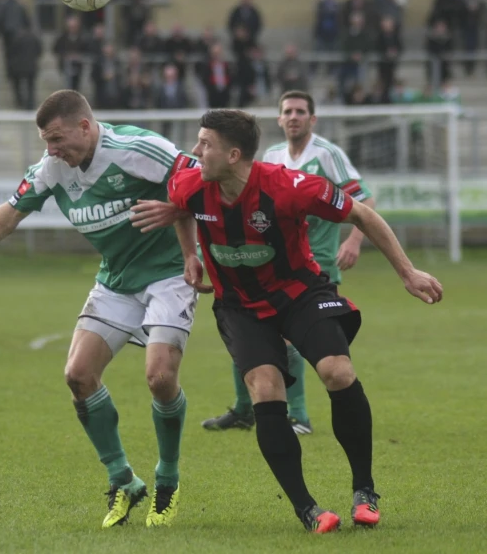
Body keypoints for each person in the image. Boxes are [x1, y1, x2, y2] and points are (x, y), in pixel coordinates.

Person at [130, 108, 442, 532]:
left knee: (337, 371)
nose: (196, 152)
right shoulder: (191, 183)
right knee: (265, 387)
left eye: (206, 145)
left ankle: (364, 490)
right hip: (239, 304)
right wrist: (190, 255)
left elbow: (362, 214)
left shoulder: (290, 187)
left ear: (235, 154)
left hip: (299, 293)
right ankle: (307, 510)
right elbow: (180, 209)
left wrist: (408, 272)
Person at [0, 89, 199, 528]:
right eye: (46, 142)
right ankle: (123, 480)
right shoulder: (53, 168)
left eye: (57, 139)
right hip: (115, 281)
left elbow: (201, 180)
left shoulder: (136, 149)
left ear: (85, 127)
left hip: (168, 274)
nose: (51, 150)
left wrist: (177, 214)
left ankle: (168, 479)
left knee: (160, 376)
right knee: (78, 376)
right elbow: (13, 211)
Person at [201, 90, 375, 434]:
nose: (293, 117)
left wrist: (354, 240)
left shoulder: (326, 154)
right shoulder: (272, 155)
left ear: (312, 119)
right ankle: (245, 408)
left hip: (317, 262)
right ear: (279, 119)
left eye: (300, 111)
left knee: (289, 343)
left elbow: (362, 198)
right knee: (248, 335)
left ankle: (298, 415)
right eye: (287, 111)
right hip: (271, 265)